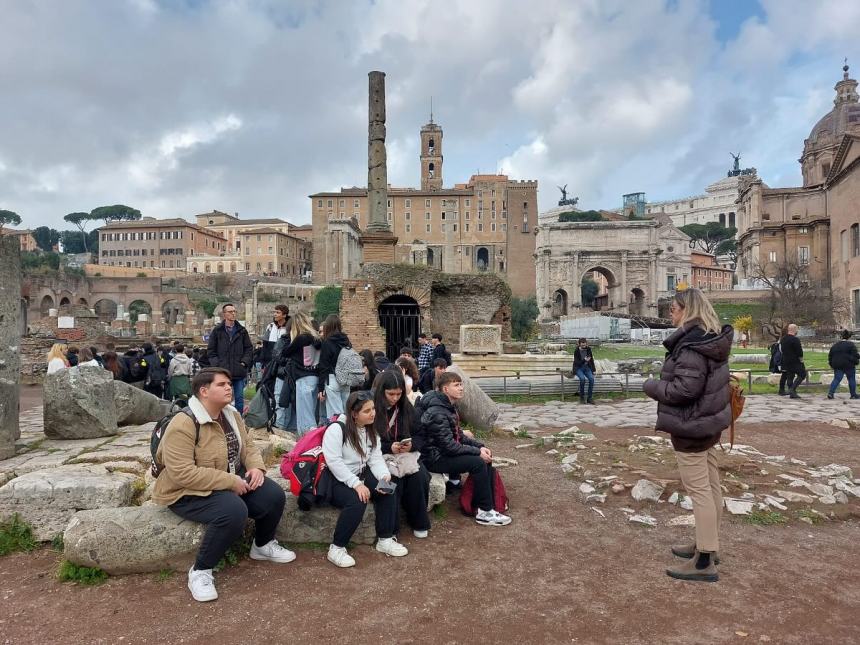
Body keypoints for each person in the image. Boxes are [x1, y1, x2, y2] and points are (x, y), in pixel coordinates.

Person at [153, 367, 295, 602]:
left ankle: (262, 544)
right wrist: (230, 482)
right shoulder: (183, 423)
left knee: (273, 495)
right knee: (233, 510)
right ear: (204, 391)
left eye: (229, 383)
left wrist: (255, 468)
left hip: (228, 479)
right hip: (185, 491)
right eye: (222, 384)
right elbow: (181, 473)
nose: (229, 387)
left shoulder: (231, 414)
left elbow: (248, 445)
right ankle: (200, 571)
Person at [643, 287, 732, 583]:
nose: (670, 313)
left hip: (691, 425)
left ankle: (705, 559)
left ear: (686, 311)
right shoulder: (711, 339)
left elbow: (684, 390)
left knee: (700, 491)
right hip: (707, 423)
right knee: (711, 485)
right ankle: (707, 544)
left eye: (673, 309)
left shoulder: (691, 346)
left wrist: (652, 386)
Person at [321, 391, 407, 567]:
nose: (373, 413)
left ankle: (385, 539)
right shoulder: (337, 429)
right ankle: (336, 548)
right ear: (354, 413)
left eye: (373, 408)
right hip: (338, 478)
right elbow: (334, 462)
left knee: (388, 489)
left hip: (361, 473)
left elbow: (375, 458)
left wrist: (383, 475)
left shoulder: (371, 429)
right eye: (367, 411)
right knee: (357, 499)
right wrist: (356, 484)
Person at [416, 371, 511, 526]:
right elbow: (449, 446)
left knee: (484, 455)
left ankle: (483, 503)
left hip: (442, 453)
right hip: (434, 458)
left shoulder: (446, 406)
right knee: (478, 462)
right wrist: (476, 452)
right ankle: (484, 512)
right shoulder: (437, 411)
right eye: (456, 385)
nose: (461, 388)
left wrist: (480, 446)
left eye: (461, 384)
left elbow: (458, 435)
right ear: (445, 389)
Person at [372, 370, 431, 538]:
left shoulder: (406, 408)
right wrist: (389, 447)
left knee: (420, 477)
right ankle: (391, 528)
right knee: (390, 482)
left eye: (399, 394)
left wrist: (412, 445)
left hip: (406, 456)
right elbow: (366, 442)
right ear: (381, 391)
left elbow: (421, 434)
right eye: (391, 394)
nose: (395, 398)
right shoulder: (371, 408)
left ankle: (419, 522)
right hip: (380, 457)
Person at [276, 310, 321, 435]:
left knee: (304, 414)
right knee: (311, 411)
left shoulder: (302, 338)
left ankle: (306, 440)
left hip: (303, 376)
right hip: (314, 376)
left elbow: (285, 352)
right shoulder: (316, 338)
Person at [207, 303, 254, 413]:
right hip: (223, 371)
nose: (233, 313)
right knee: (222, 399)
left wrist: (244, 362)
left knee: (239, 399)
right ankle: (223, 420)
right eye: (230, 312)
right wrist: (217, 366)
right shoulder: (217, 331)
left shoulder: (242, 331)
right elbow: (211, 351)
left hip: (238, 370)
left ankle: (239, 421)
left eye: (234, 311)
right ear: (224, 314)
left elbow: (249, 348)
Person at [317, 314, 353, 418]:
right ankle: (347, 432)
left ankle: (337, 433)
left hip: (332, 378)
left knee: (335, 415)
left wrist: (320, 388)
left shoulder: (327, 342)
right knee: (346, 412)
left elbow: (324, 366)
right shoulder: (347, 341)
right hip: (346, 379)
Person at [827, 330, 859, 400]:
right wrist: (856, 361)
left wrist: (831, 364)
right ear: (849, 337)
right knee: (851, 379)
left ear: (841, 336)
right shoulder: (851, 345)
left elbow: (830, 356)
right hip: (849, 365)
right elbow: (855, 355)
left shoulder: (835, 345)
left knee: (837, 379)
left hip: (837, 364)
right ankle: (853, 394)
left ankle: (831, 393)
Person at [778, 324, 806, 399]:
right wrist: (801, 360)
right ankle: (792, 389)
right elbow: (799, 351)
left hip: (786, 360)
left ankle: (792, 393)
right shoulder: (795, 339)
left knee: (790, 375)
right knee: (802, 374)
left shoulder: (783, 339)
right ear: (795, 330)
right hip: (795, 360)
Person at [572, 338, 596, 405]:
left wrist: (593, 370)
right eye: (582, 346)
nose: (583, 347)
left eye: (584, 345)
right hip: (578, 368)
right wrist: (584, 360)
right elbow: (577, 363)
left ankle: (589, 398)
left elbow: (591, 360)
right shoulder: (576, 351)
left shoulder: (588, 349)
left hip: (587, 367)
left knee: (591, 379)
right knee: (582, 379)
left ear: (586, 344)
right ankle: (582, 398)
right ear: (579, 344)